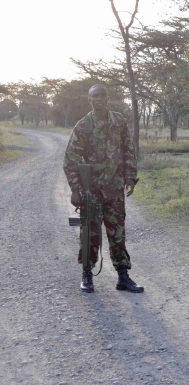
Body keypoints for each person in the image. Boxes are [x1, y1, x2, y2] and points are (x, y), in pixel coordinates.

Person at [63, 84, 143, 293]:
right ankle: (87, 274)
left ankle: (123, 276)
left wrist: (130, 177)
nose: (98, 99)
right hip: (92, 190)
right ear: (89, 100)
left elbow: (128, 150)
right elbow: (70, 160)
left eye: (102, 95)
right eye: (94, 96)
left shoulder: (119, 121)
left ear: (108, 98)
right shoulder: (83, 126)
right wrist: (76, 189)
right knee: (89, 232)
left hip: (115, 188)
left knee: (117, 233)